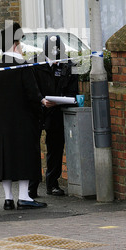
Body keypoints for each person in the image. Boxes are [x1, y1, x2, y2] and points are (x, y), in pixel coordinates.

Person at [0, 21, 48, 210]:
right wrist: (41, 110)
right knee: (24, 158)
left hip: (3, 121)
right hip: (24, 121)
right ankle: (24, 197)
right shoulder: (23, 66)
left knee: (6, 158)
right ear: (15, 45)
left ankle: (8, 198)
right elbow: (33, 95)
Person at [29, 34, 79, 198]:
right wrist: (41, 100)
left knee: (55, 149)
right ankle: (32, 187)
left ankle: (52, 184)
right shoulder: (33, 64)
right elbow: (29, 89)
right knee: (33, 150)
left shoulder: (69, 65)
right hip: (36, 111)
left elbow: (74, 93)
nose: (57, 62)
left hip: (57, 112)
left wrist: (59, 101)